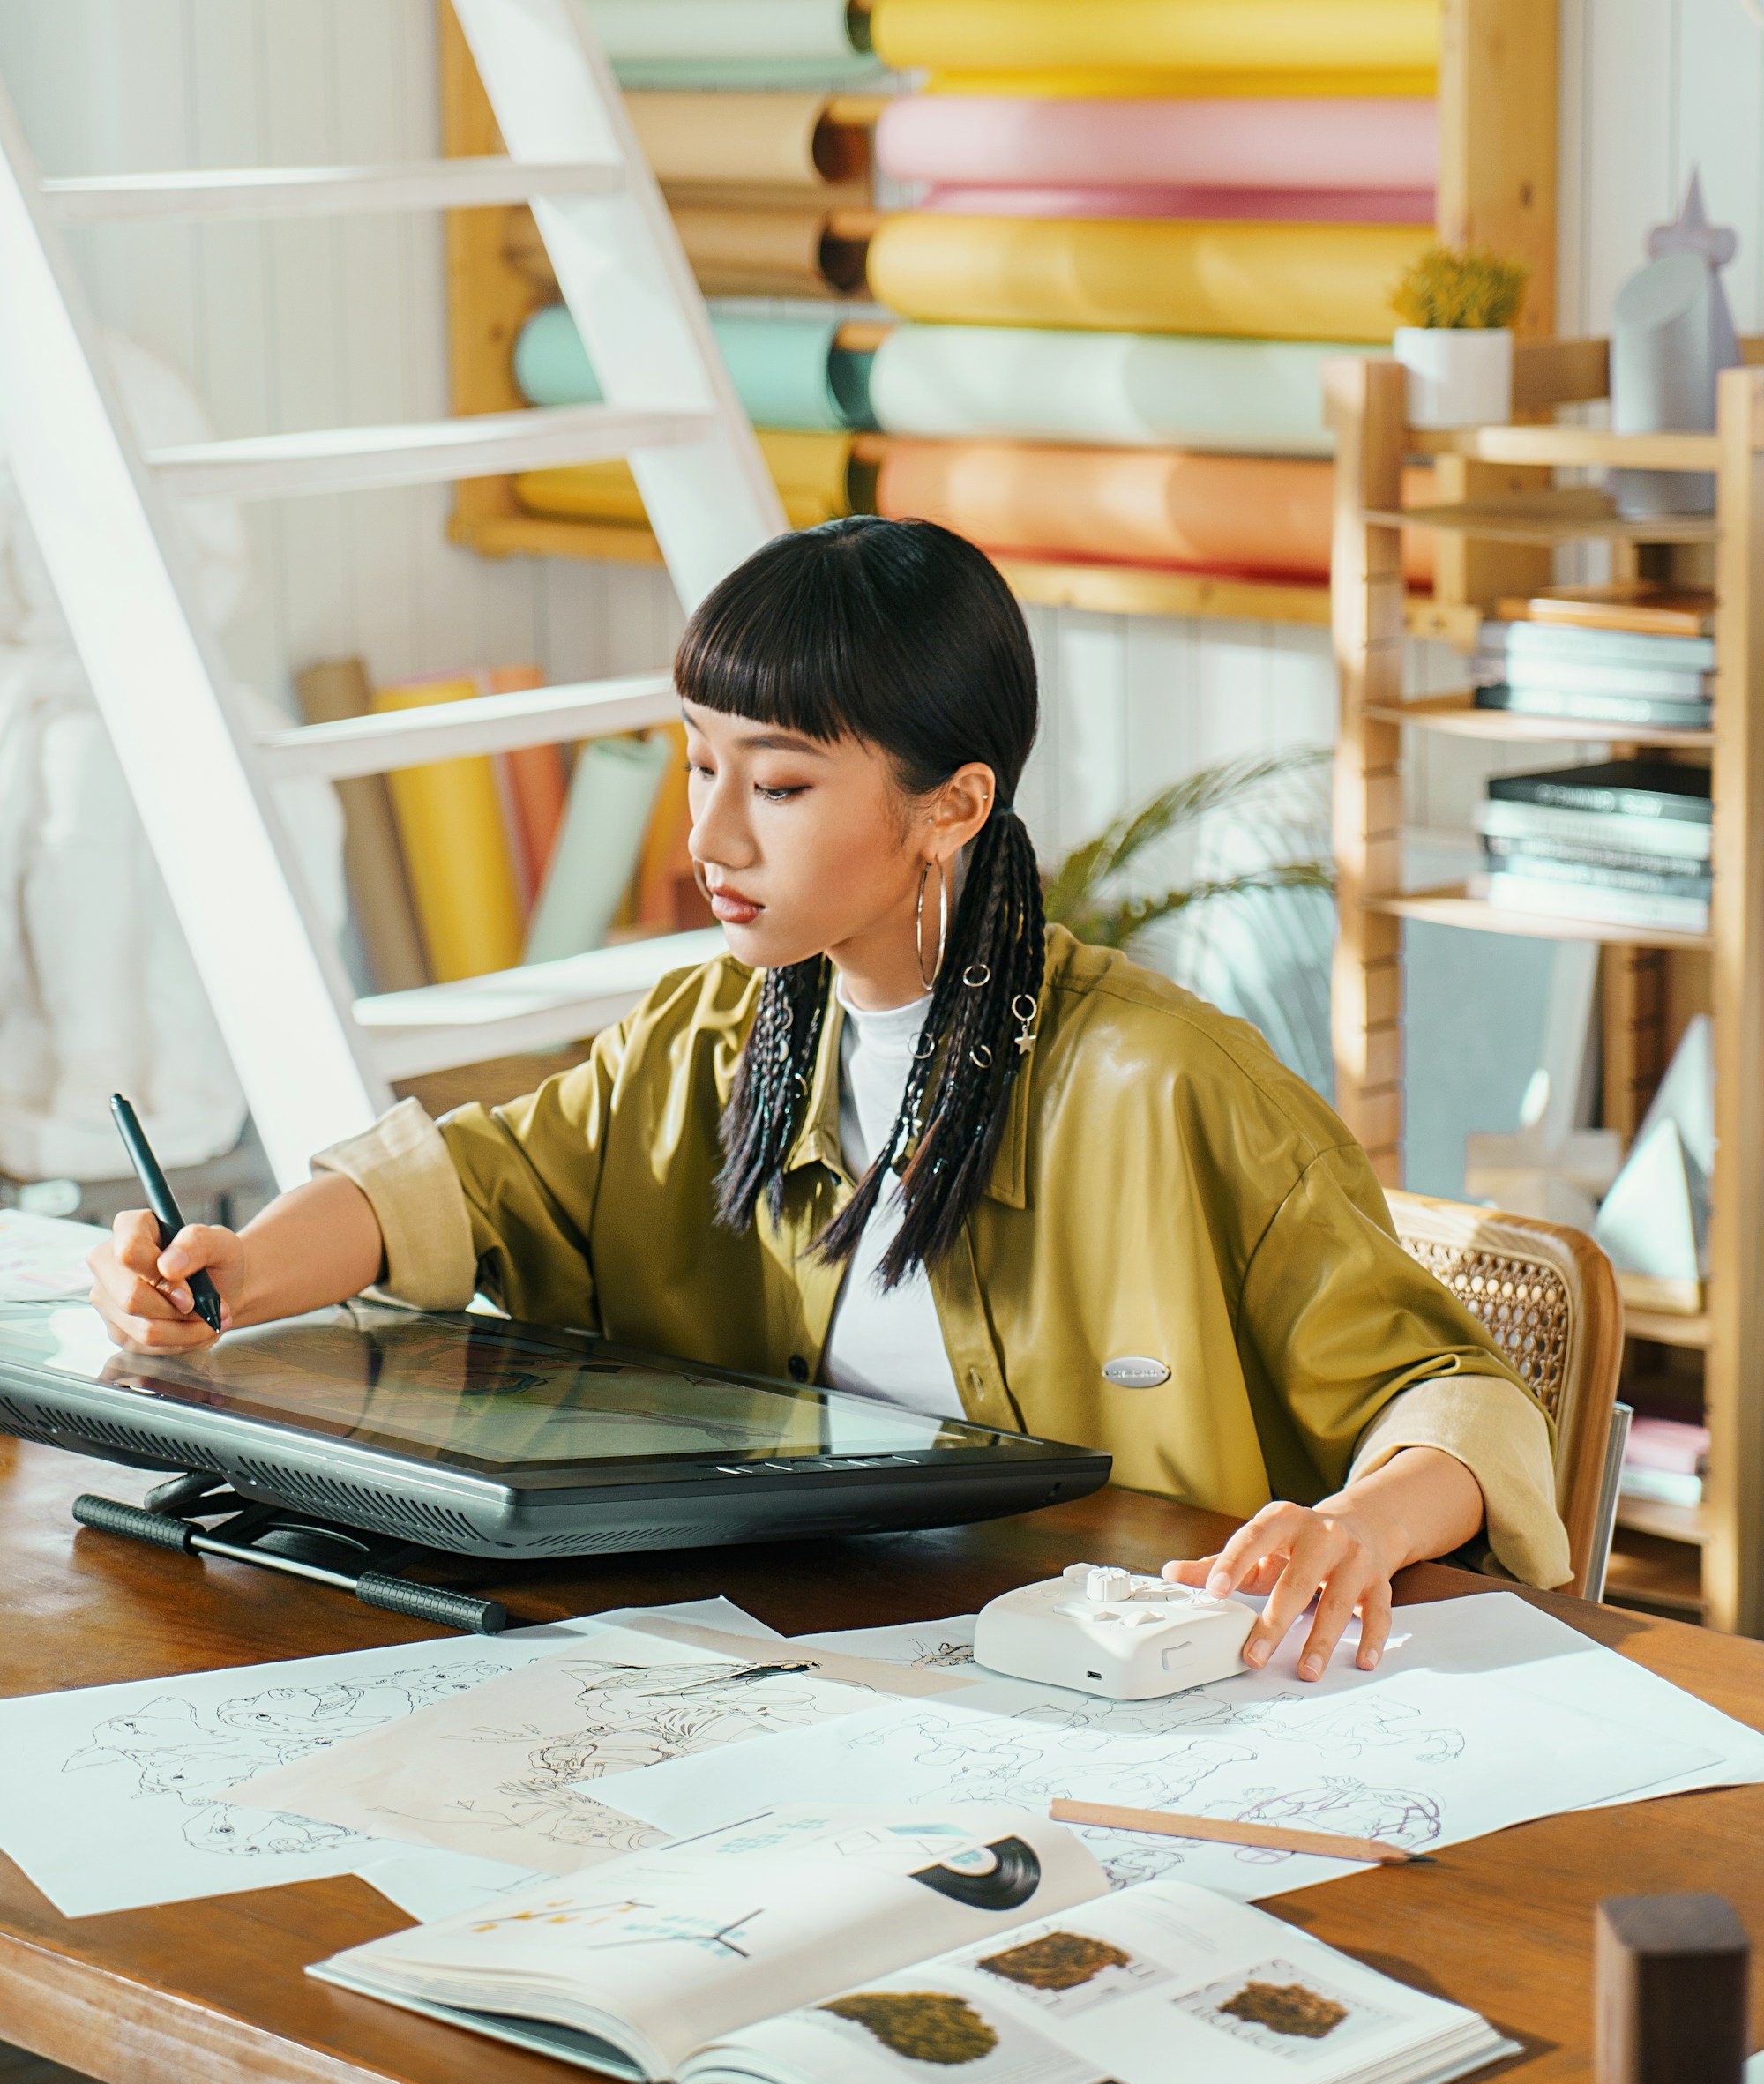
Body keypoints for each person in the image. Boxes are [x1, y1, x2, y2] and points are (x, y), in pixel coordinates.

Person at [88, 517, 1570, 1677]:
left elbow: (1447, 1396)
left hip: (1134, 1697)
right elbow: (468, 1184)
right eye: (697, 767)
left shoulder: (1167, 1085)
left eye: (780, 786)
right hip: (809, 1676)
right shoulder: (703, 1040)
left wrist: (1353, 1528)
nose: (708, 834)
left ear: (955, 806)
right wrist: (227, 1271)